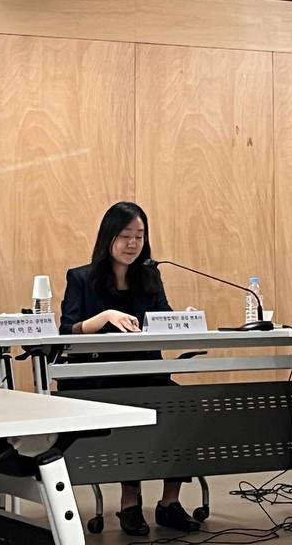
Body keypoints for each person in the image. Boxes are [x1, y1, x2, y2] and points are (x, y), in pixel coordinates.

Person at [59, 201, 201, 537]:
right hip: (98, 378)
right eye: (125, 235)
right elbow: (66, 330)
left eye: (139, 236)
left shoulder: (149, 275)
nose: (133, 243)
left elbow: (163, 318)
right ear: (109, 236)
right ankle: (129, 503)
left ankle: (169, 502)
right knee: (131, 409)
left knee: (184, 407)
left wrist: (182, 319)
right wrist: (104, 317)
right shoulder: (81, 277)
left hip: (146, 373)